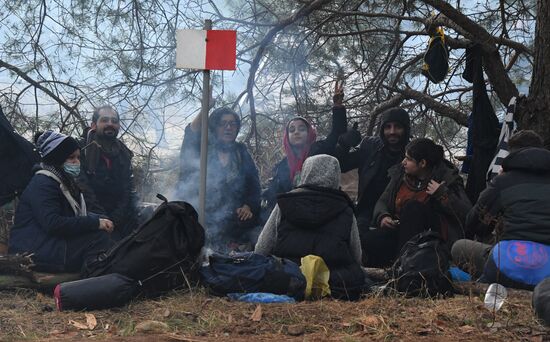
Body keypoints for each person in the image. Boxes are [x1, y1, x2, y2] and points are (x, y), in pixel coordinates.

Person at [255, 154, 366, 300]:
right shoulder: (345, 209)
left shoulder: (285, 203)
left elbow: (262, 248)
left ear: (306, 172)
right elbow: (356, 256)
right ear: (335, 175)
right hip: (334, 284)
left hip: (289, 279)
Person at [452, 133, 550, 289]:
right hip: (547, 275)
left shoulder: (503, 181)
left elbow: (472, 223)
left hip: (506, 269)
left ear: (512, 153)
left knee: (459, 247)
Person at [9, 131, 113, 273]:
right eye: (71, 158)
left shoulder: (64, 182)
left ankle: (93, 275)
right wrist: (95, 223)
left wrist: (99, 219)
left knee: (102, 235)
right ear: (57, 159)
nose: (77, 162)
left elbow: (72, 216)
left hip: (47, 246)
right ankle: (92, 279)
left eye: (78, 157)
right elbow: (53, 223)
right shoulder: (43, 183)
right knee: (98, 238)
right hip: (32, 251)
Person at [365, 138, 470, 267]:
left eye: (408, 159)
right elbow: (383, 201)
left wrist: (443, 194)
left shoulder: (447, 178)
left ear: (422, 163)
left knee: (413, 208)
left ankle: (403, 267)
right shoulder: (401, 176)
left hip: (430, 242)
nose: (403, 162)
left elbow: (466, 213)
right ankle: (384, 272)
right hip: (400, 233)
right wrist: (383, 216)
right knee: (369, 240)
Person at [262, 81, 352, 214]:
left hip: (320, 209)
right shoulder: (283, 165)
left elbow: (337, 133)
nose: (296, 132)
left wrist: (338, 107)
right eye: (292, 130)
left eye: (301, 129)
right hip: (291, 214)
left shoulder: (319, 151)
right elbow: (276, 192)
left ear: (309, 133)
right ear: (287, 137)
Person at [179, 107, 261, 252]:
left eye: (232, 124)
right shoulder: (204, 148)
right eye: (223, 124)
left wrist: (248, 206)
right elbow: (191, 135)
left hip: (235, 222)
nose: (228, 128)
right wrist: (206, 107)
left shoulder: (241, 153)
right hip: (204, 217)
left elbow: (254, 186)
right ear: (214, 127)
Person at [79, 106, 138, 239]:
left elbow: (127, 189)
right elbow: (82, 187)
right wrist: (101, 218)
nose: (110, 124)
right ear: (94, 125)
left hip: (119, 219)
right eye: (105, 120)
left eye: (114, 121)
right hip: (89, 218)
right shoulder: (81, 150)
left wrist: (116, 219)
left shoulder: (124, 154)